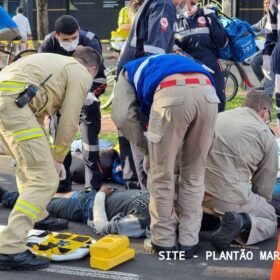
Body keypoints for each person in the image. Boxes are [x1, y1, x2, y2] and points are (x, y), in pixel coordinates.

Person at [0, 47, 101, 270]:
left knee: (29, 167)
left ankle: (37, 214)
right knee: (45, 179)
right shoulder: (81, 72)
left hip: (9, 99)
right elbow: (70, 118)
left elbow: (39, 117)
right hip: (13, 101)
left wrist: (48, 154)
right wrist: (57, 159)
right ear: (92, 69)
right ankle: (9, 246)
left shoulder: (56, 65)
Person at [112, 53, 219, 257]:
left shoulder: (126, 71)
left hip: (171, 94)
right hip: (208, 93)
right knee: (195, 174)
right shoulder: (170, 62)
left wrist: (146, 148)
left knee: (161, 175)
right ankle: (189, 240)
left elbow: (123, 116)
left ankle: (163, 242)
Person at [116, 0, 187, 191]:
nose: (187, 5)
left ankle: (140, 192)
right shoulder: (164, 5)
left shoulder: (154, 3)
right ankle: (150, 198)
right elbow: (155, 53)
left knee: (135, 135)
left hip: (131, 75)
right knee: (146, 138)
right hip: (142, 78)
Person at [203, 90, 278, 251]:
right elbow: (264, 184)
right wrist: (258, 204)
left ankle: (203, 218)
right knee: (270, 217)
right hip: (223, 194)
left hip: (189, 189)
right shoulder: (265, 134)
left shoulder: (219, 116)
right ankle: (243, 222)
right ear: (264, 111)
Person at [39, 15, 107, 193]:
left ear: (79, 31)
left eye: (74, 37)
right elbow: (43, 74)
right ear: (56, 35)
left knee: (90, 143)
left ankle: (92, 187)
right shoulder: (48, 44)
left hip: (87, 95)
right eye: (65, 39)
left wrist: (89, 93)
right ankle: (62, 182)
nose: (71, 42)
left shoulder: (91, 41)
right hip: (60, 98)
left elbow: (99, 75)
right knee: (59, 139)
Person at [0, 186, 150, 238]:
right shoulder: (166, 205)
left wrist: (101, 195)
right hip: (90, 197)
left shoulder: (141, 222)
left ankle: (5, 196)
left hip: (83, 208)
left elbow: (102, 228)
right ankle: (8, 196)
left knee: (40, 203)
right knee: (47, 195)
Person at [174, 0, 228, 112]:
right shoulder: (176, 20)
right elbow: (171, 46)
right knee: (191, 105)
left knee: (218, 101)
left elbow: (222, 43)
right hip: (189, 67)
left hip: (211, 64)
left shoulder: (207, 14)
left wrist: (212, 17)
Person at [250, 0, 275, 97]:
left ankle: (268, 93)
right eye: (266, 3)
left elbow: (267, 30)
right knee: (254, 61)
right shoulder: (266, 17)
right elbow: (256, 27)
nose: (268, 5)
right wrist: (245, 29)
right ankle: (265, 84)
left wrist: (255, 35)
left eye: (270, 3)